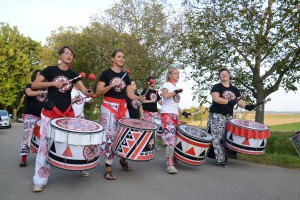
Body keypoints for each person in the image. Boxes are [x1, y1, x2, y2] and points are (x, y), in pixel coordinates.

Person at [31, 46, 92, 192]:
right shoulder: (50, 70)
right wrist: (53, 83)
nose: (70, 55)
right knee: (44, 145)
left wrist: (88, 92)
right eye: (67, 53)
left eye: (72, 54)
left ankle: (82, 166)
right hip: (50, 112)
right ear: (60, 55)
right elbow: (35, 85)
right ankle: (40, 180)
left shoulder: (73, 74)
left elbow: (83, 90)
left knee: (75, 142)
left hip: (67, 114)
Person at [96, 50, 145, 180]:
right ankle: (108, 168)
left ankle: (123, 159)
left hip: (123, 108)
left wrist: (139, 98)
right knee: (110, 137)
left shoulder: (125, 75)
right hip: (109, 107)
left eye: (123, 57)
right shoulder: (106, 73)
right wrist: (112, 85)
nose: (122, 59)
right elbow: (99, 91)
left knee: (123, 135)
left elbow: (130, 94)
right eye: (119, 57)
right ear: (112, 59)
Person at [206, 67, 255, 168]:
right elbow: (216, 99)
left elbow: (240, 101)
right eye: (222, 74)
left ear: (229, 75)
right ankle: (220, 160)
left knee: (226, 137)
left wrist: (247, 106)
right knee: (217, 137)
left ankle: (223, 156)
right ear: (219, 77)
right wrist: (229, 101)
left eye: (226, 73)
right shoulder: (216, 87)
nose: (224, 75)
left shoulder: (234, 89)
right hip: (217, 115)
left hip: (229, 116)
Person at [160, 67, 191, 174]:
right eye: (175, 73)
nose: (177, 75)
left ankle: (174, 158)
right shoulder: (166, 85)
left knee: (177, 137)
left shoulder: (175, 87)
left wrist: (184, 113)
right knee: (170, 138)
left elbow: (175, 104)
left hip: (175, 114)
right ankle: (169, 164)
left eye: (178, 73)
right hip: (167, 114)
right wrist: (176, 91)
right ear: (170, 75)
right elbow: (165, 95)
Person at [19, 69, 47, 167]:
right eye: (38, 75)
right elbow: (29, 93)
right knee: (27, 134)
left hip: (42, 116)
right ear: (34, 76)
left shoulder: (47, 88)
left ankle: (42, 155)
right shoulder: (29, 86)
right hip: (30, 115)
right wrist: (42, 91)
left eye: (42, 75)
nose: (40, 77)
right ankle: (23, 157)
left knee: (43, 136)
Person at [71, 84, 93, 177]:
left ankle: (83, 166)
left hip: (81, 119)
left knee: (82, 142)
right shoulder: (69, 91)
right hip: (69, 119)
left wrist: (90, 95)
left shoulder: (83, 92)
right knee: (70, 143)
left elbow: (90, 101)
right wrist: (73, 100)